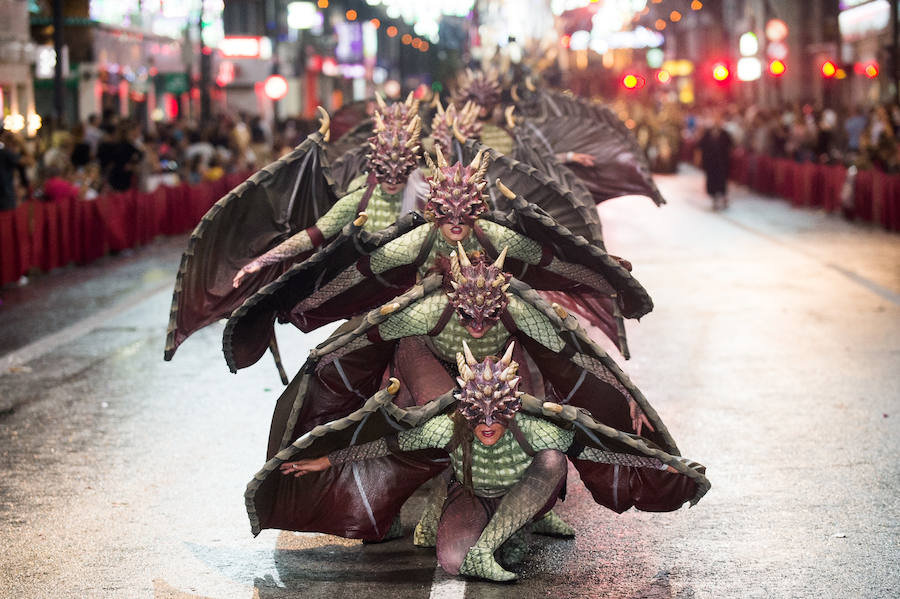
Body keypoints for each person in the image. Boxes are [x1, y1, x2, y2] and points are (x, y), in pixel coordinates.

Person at [268, 343, 708, 582]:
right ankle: (472, 533)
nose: (488, 425)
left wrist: (658, 464)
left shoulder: (535, 427)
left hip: (522, 493)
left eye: (498, 416)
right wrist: (327, 460)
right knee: (450, 561)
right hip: (474, 494)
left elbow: (596, 448)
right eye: (479, 417)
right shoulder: (447, 426)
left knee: (553, 459)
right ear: (466, 411)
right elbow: (390, 445)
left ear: (512, 410)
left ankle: (504, 536)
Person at [698, 114, 734, 210]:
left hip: (722, 162)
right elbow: (700, 145)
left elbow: (731, 146)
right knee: (712, 181)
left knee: (722, 181)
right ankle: (714, 199)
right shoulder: (708, 133)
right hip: (711, 162)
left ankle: (723, 197)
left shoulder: (725, 134)